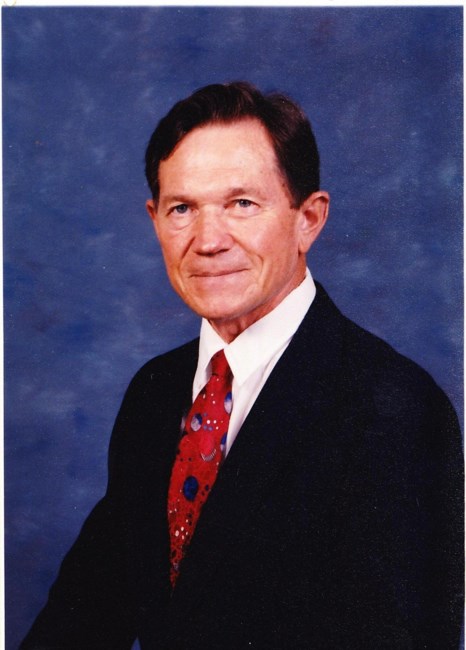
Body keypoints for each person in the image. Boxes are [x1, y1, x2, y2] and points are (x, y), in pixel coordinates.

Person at [21, 82, 463, 649]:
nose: (208, 241)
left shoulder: (395, 409)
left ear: (308, 219)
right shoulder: (155, 391)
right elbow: (84, 614)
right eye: (183, 209)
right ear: (155, 220)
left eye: (242, 204)